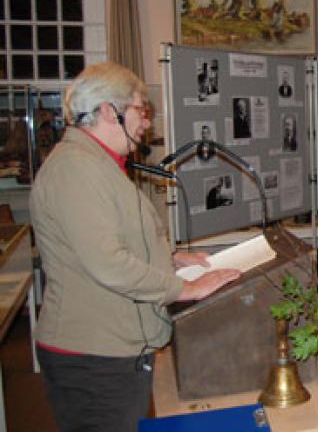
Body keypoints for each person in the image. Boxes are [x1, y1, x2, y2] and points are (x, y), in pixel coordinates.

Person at [29, 62, 240, 432]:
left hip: (112, 350)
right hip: (93, 357)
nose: (147, 123)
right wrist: (184, 288)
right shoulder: (76, 169)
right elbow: (107, 262)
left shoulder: (99, 165)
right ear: (110, 111)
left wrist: (170, 258)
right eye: (141, 110)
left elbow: (111, 239)